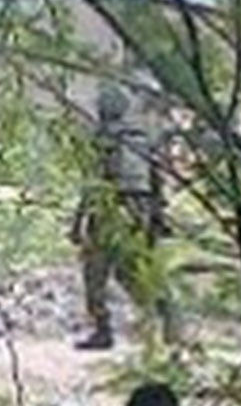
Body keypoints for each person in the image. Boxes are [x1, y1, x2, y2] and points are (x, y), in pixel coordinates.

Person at [71, 78, 169, 350]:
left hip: (110, 210)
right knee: (133, 271)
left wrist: (77, 222)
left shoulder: (104, 139)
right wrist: (158, 218)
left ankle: (103, 330)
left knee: (95, 270)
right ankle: (164, 323)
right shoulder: (141, 139)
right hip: (141, 211)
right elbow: (158, 181)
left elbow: (94, 183)